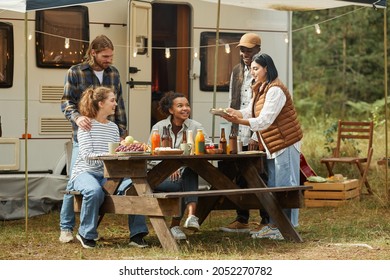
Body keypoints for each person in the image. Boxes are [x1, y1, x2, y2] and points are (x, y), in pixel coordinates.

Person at [60, 35, 148, 248]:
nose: (109, 60)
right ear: (94, 53)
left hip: (108, 133)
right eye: (105, 56)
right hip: (85, 131)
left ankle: (136, 234)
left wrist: (122, 134)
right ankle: (66, 227)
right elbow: (66, 101)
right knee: (76, 181)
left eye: (111, 56)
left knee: (125, 184)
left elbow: (120, 104)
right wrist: (77, 117)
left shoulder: (113, 73)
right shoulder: (76, 71)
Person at [222, 53, 302, 240]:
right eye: (251, 69)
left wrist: (239, 120)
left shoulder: (275, 90)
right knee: (274, 185)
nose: (253, 72)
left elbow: (265, 120)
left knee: (285, 186)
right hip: (272, 144)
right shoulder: (261, 88)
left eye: (256, 68)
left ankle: (286, 227)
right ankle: (277, 225)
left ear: (267, 68)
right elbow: (250, 111)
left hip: (285, 142)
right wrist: (233, 113)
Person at [219, 32, 270, 233]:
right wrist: (228, 117)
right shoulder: (237, 71)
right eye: (242, 49)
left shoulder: (266, 71)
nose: (245, 53)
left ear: (258, 49)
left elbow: (266, 108)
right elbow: (235, 100)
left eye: (249, 49)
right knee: (240, 174)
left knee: (260, 174)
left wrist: (257, 134)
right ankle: (242, 218)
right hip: (239, 130)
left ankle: (266, 219)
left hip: (257, 129)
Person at [67, 86, 126, 248]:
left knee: (136, 187)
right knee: (93, 191)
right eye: (112, 100)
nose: (115, 104)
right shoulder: (86, 125)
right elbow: (87, 156)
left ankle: (138, 234)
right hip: (85, 173)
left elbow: (115, 152)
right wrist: (111, 156)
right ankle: (85, 233)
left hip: (108, 174)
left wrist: (122, 151)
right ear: (101, 103)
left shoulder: (113, 127)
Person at [149, 91, 212, 240]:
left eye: (187, 105)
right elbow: (151, 154)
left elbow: (207, 146)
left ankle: (190, 217)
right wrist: (167, 169)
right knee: (186, 180)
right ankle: (176, 225)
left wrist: (179, 168)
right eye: (180, 106)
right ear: (171, 110)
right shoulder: (159, 127)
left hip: (182, 175)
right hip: (159, 177)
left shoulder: (196, 126)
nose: (185, 108)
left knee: (189, 172)